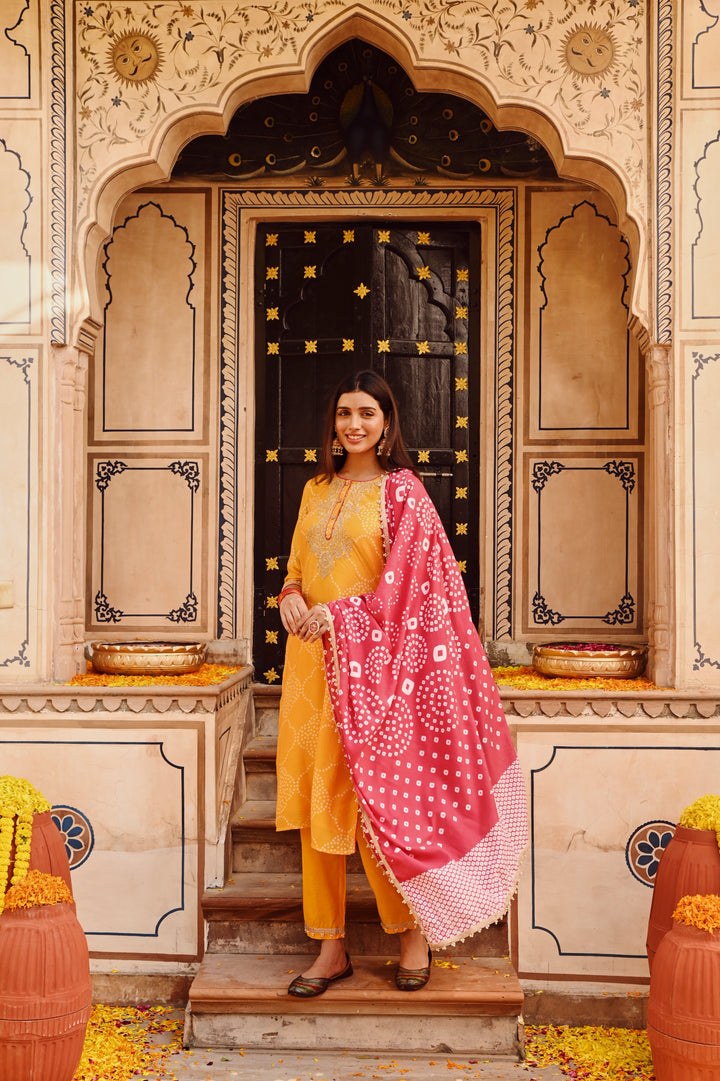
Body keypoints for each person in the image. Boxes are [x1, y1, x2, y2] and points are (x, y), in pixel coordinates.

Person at [276, 370, 527, 999]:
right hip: (310, 668)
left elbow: (413, 593)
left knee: (380, 803)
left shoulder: (402, 493)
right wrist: (289, 594)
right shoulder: (314, 490)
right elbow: (299, 566)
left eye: (366, 413)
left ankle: (411, 934)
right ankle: (329, 947)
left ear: (387, 422)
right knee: (319, 807)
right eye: (343, 413)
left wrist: (342, 614)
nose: (353, 425)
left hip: (378, 675)